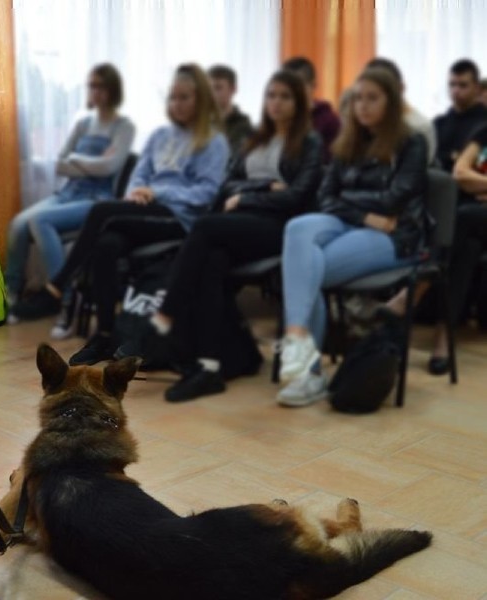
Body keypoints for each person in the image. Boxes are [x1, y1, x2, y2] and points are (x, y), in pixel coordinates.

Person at [118, 70, 322, 402]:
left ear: (299, 103)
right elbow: (227, 184)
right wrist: (261, 187)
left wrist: (247, 197)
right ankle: (210, 368)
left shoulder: (310, 143)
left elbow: (297, 197)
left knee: (203, 227)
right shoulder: (256, 139)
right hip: (240, 222)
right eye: (271, 95)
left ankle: (166, 315)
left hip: (280, 228)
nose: (276, 103)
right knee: (211, 261)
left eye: (285, 96)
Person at [13, 63, 229, 366]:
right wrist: (138, 191)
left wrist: (159, 193)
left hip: (181, 219)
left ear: (201, 99)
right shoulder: (159, 136)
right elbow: (139, 175)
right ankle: (103, 335)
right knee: (106, 244)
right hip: (147, 210)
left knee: (103, 210)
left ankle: (58, 286)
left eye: (184, 98)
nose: (177, 104)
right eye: (173, 98)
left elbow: (205, 193)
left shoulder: (213, 142)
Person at [277, 68, 428, 407]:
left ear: (391, 102)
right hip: (357, 224)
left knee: (305, 269)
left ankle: (307, 374)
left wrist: (354, 206)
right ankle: (302, 349)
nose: (362, 105)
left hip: (397, 236)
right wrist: (363, 215)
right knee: (297, 229)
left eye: (372, 98)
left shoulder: (412, 142)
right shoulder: (348, 140)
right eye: (358, 97)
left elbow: (395, 199)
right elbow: (325, 197)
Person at [5, 64, 135, 337]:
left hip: (95, 199)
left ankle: (64, 300)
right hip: (67, 193)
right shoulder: (83, 123)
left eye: (100, 86)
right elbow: (60, 164)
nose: (94, 91)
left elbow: (110, 167)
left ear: (112, 90)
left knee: (40, 222)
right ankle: (12, 296)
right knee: (18, 224)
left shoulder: (124, 127)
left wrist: (78, 161)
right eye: (92, 85)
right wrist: (87, 162)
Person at [384, 122, 487, 375]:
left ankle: (412, 295)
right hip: (473, 219)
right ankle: (443, 336)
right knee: (467, 245)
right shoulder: (483, 131)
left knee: (461, 220)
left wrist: (480, 184)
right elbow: (460, 173)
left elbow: (469, 179)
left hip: (469, 215)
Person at [366, 57, 437, 165]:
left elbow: (414, 174)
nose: (365, 103)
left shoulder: (418, 127)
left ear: (401, 88)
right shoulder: (368, 122)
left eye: (374, 96)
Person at [433, 59, 487, 173]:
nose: (455, 91)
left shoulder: (483, 124)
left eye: (463, 85)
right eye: (452, 85)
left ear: (477, 88)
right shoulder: (438, 123)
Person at [283, 56, 341, 161]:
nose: (292, 91)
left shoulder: (329, 121)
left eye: (298, 85)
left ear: (313, 85)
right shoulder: (277, 117)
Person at [208, 64, 254, 157]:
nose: (212, 94)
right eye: (208, 89)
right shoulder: (198, 123)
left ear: (233, 89)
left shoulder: (245, 127)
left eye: (218, 88)